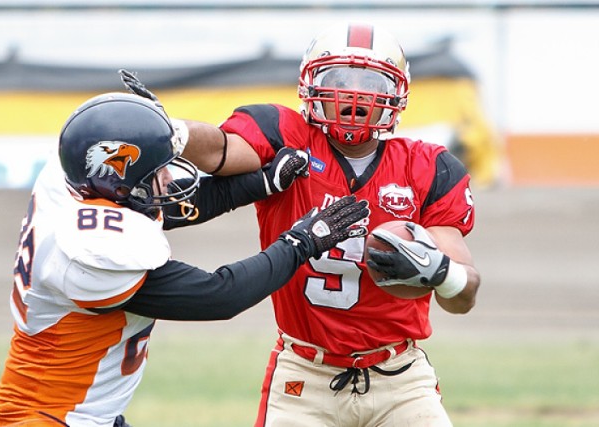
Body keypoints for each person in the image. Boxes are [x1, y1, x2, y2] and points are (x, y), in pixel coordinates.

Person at [125, 22, 481, 426]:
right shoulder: (285, 134)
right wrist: (171, 133)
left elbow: (462, 297)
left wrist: (441, 272)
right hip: (305, 376)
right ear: (311, 84)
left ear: (395, 94)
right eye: (339, 79)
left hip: (400, 376)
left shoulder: (429, 167)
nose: (354, 95)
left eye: (371, 82)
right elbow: (222, 150)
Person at [0, 92, 370, 426]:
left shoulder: (79, 186)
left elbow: (165, 208)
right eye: (159, 170)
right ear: (119, 180)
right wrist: (301, 242)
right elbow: (220, 295)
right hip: (52, 418)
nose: (171, 178)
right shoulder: (89, 254)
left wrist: (263, 183)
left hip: (79, 413)